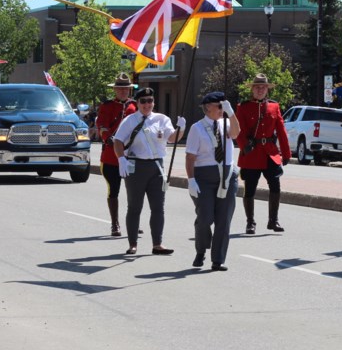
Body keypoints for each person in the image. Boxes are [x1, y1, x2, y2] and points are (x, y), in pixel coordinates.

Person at [112, 87, 186, 256]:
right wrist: (121, 158)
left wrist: (181, 129)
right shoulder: (130, 120)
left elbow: (172, 138)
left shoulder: (161, 119)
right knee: (134, 207)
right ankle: (133, 244)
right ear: (137, 103)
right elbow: (118, 140)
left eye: (150, 101)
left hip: (156, 167)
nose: (147, 104)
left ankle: (157, 244)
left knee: (158, 207)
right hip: (136, 167)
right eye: (143, 101)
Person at [186, 91, 241, 271]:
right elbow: (190, 157)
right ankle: (201, 249)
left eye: (223, 106)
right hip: (205, 176)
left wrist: (231, 113)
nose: (221, 109)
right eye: (219, 106)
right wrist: (191, 179)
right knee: (205, 217)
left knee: (223, 220)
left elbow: (236, 133)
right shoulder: (197, 128)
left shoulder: (226, 123)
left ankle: (218, 259)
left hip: (226, 175)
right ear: (207, 107)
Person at [235, 74, 291, 234]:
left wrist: (286, 153)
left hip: (270, 153)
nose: (260, 90)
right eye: (257, 87)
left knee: (275, 185)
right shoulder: (243, 107)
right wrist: (245, 147)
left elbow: (281, 131)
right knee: (250, 188)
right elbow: (240, 131)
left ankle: (273, 221)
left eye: (263, 87)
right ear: (252, 89)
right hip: (252, 153)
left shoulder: (274, 107)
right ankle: (250, 222)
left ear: (267, 89)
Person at [95, 73, 137, 236]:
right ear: (115, 90)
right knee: (113, 190)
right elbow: (102, 125)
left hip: (131, 155)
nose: (123, 92)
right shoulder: (107, 106)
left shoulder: (135, 106)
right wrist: (108, 138)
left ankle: (133, 222)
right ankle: (115, 224)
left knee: (134, 192)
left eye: (125, 89)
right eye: (120, 89)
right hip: (111, 157)